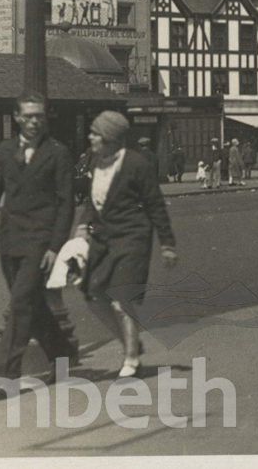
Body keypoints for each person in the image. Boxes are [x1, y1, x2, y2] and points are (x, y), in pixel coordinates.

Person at [0, 93, 78, 398]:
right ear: (18, 118)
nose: (35, 121)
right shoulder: (4, 150)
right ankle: (62, 354)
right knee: (32, 305)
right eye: (29, 116)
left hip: (40, 242)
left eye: (40, 116)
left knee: (20, 303)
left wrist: (54, 246)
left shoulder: (58, 153)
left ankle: (5, 378)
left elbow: (65, 205)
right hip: (9, 242)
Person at [72, 111, 178, 377]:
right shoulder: (96, 161)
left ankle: (131, 358)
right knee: (93, 293)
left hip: (132, 237)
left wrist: (167, 243)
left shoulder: (136, 164)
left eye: (95, 133)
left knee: (121, 297)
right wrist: (83, 226)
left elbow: (155, 204)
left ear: (109, 138)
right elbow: (94, 202)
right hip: (104, 238)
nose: (90, 137)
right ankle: (130, 341)